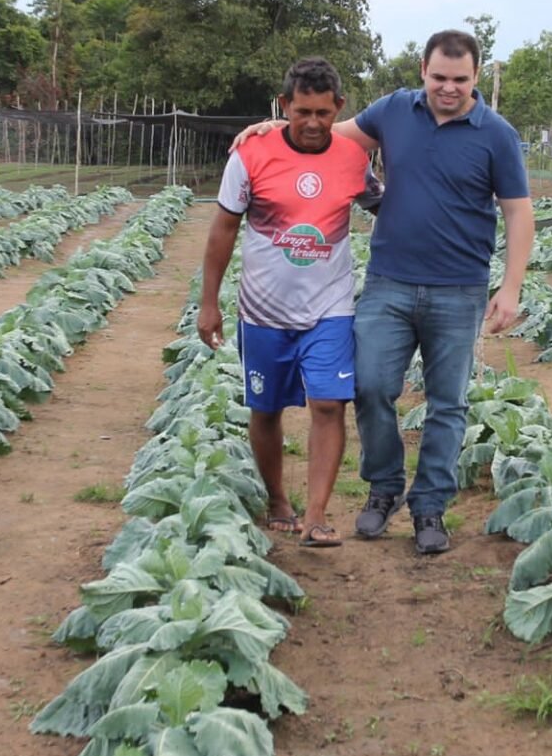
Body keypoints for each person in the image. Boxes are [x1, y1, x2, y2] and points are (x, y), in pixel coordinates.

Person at [236, 30, 534, 554]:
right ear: (423, 69)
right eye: (439, 77)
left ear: (476, 78)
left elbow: (517, 211)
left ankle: (429, 507)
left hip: (459, 289)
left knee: (447, 402)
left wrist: (510, 288)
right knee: (370, 387)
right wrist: (274, 128)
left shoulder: (497, 134)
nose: (448, 88)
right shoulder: (394, 110)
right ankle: (383, 489)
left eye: (460, 79)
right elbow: (329, 130)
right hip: (388, 283)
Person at [198, 57, 379, 548]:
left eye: (324, 112)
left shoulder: (353, 160)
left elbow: (384, 206)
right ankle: (278, 498)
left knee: (328, 404)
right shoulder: (251, 153)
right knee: (266, 409)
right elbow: (223, 229)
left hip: (330, 308)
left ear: (339, 107)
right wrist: (208, 302)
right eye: (303, 112)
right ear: (284, 107)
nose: (314, 122)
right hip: (263, 311)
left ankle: (317, 514)